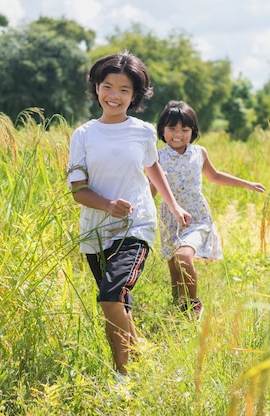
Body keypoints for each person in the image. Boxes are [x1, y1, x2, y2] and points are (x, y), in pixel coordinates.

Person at [66, 52, 191, 381]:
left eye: (124, 89)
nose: (114, 96)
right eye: (107, 86)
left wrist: (173, 205)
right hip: (94, 231)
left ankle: (123, 377)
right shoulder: (83, 135)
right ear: (96, 88)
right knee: (118, 306)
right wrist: (107, 205)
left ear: (135, 95)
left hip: (135, 226)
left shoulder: (144, 131)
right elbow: (77, 189)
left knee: (111, 295)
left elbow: (153, 168)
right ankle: (144, 361)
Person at [152, 100, 265, 320]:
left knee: (184, 256)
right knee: (175, 270)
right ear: (162, 130)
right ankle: (179, 312)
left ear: (193, 131)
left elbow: (214, 176)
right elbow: (151, 190)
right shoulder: (157, 157)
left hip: (197, 216)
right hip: (170, 218)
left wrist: (246, 184)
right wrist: (153, 184)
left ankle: (193, 305)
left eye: (184, 130)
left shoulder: (199, 153)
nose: (178, 134)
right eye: (172, 129)